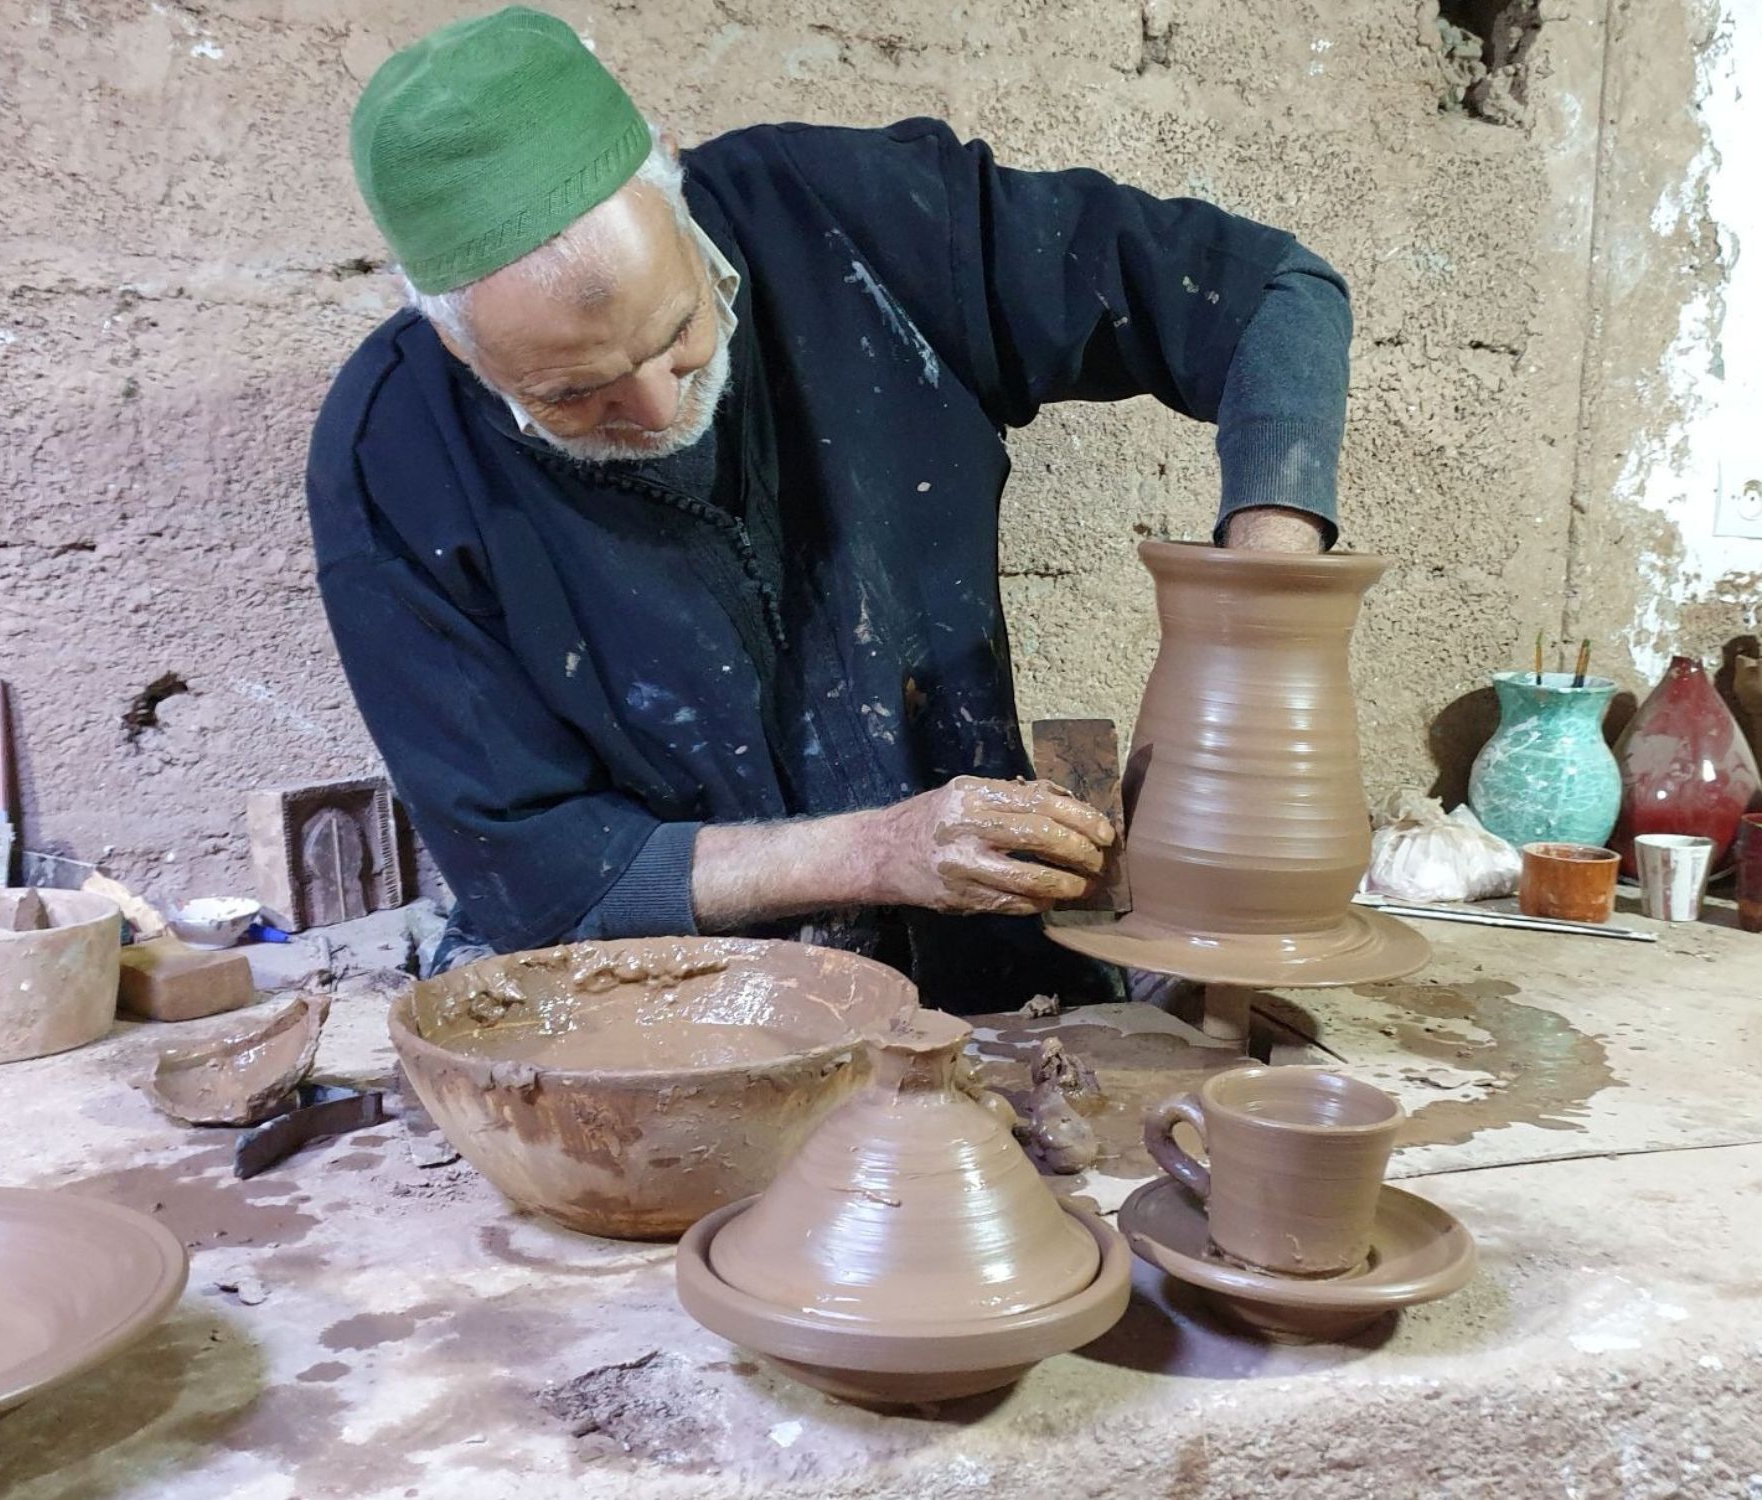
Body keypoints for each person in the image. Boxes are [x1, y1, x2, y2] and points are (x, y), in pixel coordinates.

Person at [308, 6, 1353, 1010]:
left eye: (677, 331)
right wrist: (873, 852)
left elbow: (1268, 295)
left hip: (978, 946)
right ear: (455, 342)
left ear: (670, 182)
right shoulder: (393, 454)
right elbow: (538, 873)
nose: (659, 405)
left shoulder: (849, 217)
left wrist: (1267, 591)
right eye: (573, 396)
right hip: (668, 995)